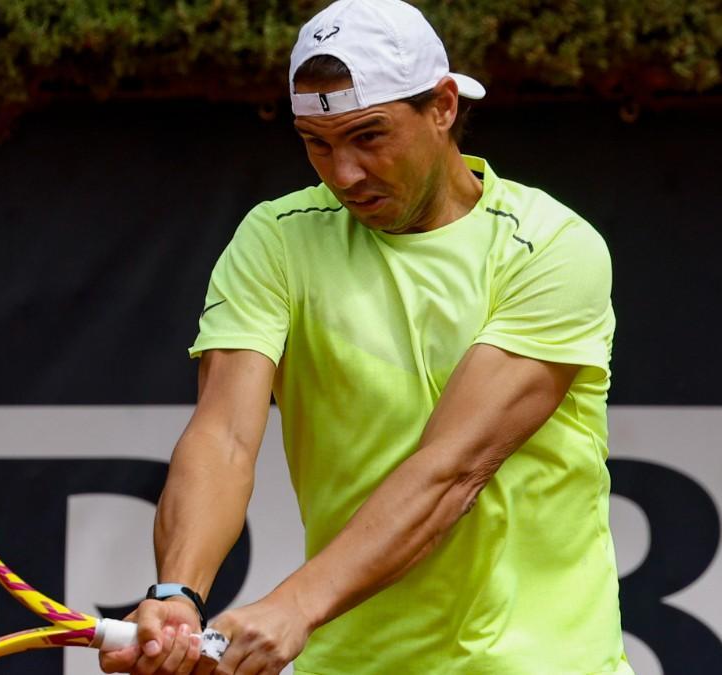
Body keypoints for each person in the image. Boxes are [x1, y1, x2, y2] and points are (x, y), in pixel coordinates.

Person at [101, 0, 632, 672]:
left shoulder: (552, 247)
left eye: (369, 136)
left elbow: (453, 470)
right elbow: (224, 434)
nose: (343, 172)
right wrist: (178, 589)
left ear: (442, 106)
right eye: (316, 143)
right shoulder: (276, 239)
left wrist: (295, 604)